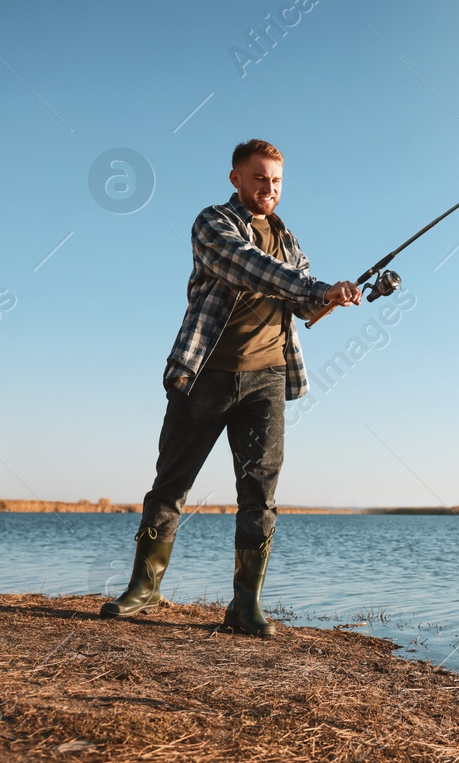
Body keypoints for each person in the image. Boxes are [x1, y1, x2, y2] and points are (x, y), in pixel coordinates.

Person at [101, 139, 362, 636]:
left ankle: (245, 605)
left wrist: (334, 296)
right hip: (204, 373)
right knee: (172, 483)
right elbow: (247, 267)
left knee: (259, 493)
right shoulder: (212, 223)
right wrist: (313, 287)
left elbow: (304, 305)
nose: (270, 188)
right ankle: (145, 588)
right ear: (236, 179)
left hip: (266, 378)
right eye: (260, 177)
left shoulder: (289, 241)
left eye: (277, 181)